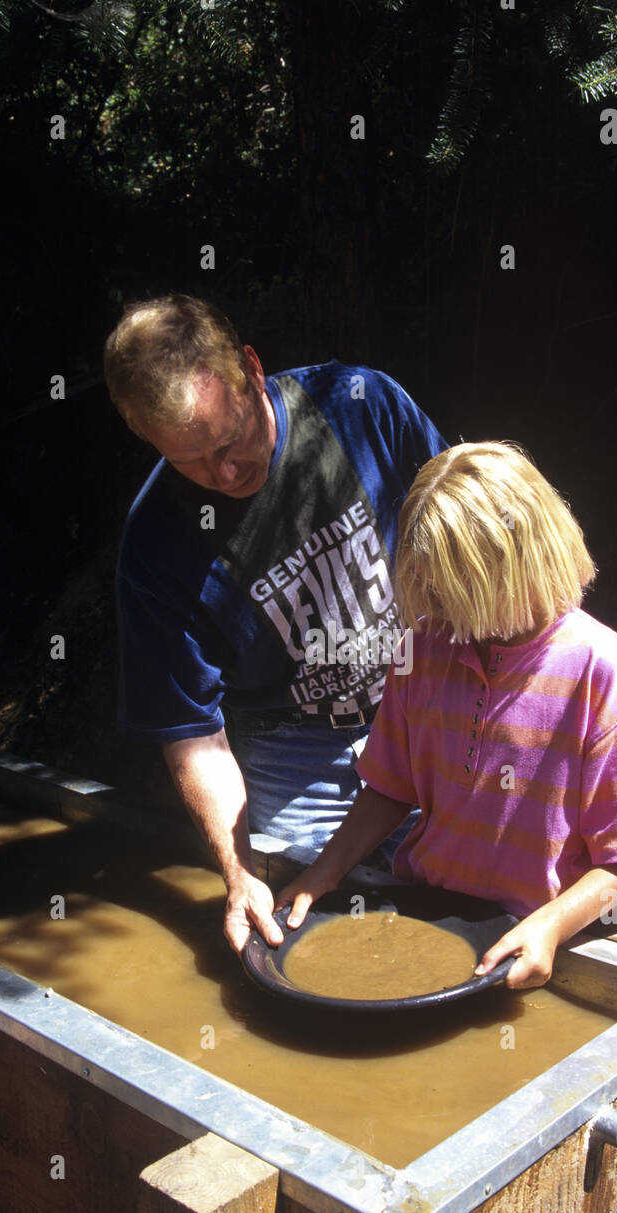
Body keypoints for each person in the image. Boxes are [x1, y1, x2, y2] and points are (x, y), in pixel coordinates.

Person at [104, 295, 447, 955]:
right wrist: (239, 874)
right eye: (191, 461)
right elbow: (193, 736)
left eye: (230, 441)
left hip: (427, 698)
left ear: (252, 370)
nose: (225, 474)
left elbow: (470, 531)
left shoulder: (359, 405)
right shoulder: (153, 548)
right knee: (335, 942)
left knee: (469, 903)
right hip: (293, 750)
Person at [277, 441, 617, 989]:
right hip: (424, 920)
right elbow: (390, 788)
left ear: (516, 562)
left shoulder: (604, 674)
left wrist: (552, 924)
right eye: (431, 591)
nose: (437, 608)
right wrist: (324, 872)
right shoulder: (423, 650)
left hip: (536, 944)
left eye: (452, 591)